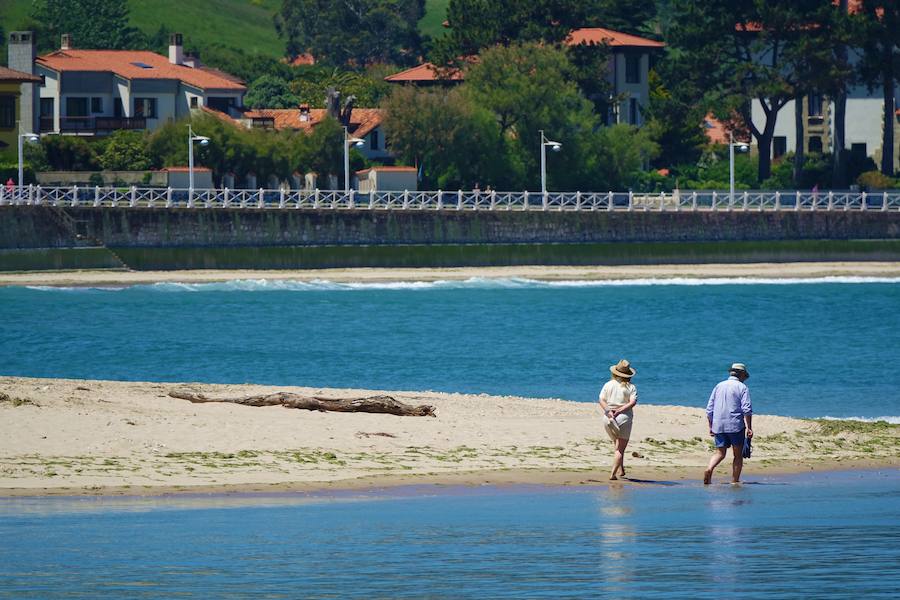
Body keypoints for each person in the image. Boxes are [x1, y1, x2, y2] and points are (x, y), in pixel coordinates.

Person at [704, 363, 753, 485]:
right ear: (742, 375)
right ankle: (735, 481)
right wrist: (749, 427)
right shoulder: (742, 387)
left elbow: (709, 409)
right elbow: (746, 409)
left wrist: (711, 426)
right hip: (735, 425)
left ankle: (709, 468)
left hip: (718, 424)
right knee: (737, 455)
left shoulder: (719, 386)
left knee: (720, 453)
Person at [599, 359, 638, 481]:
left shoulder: (608, 384)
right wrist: (620, 410)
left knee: (616, 444)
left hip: (608, 418)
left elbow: (601, 400)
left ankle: (621, 470)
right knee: (620, 449)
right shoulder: (631, 387)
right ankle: (613, 474)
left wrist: (609, 412)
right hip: (623, 417)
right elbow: (632, 402)